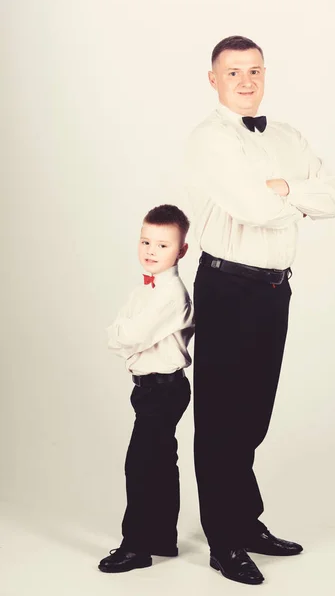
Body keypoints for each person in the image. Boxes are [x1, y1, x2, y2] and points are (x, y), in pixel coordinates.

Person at [184, 35, 335, 585]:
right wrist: (292, 198)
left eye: (254, 71)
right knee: (221, 418)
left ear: (264, 74)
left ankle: (246, 522)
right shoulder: (209, 139)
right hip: (227, 287)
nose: (246, 81)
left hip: (276, 288)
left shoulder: (288, 136)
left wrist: (285, 189)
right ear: (213, 79)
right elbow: (255, 209)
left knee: (254, 414)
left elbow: (333, 198)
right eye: (234, 73)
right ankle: (223, 540)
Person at [98, 204, 194, 573]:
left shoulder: (171, 293)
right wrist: (124, 335)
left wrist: (124, 335)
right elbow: (121, 332)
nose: (151, 251)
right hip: (149, 389)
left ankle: (136, 546)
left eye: (163, 245)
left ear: (181, 251)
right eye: (145, 241)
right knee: (161, 462)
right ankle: (162, 538)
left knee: (139, 465)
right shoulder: (145, 289)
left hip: (164, 390)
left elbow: (129, 334)